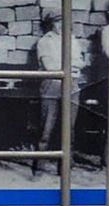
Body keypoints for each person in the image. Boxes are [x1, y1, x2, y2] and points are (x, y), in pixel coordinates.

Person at [33, 12, 85, 170]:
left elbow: (81, 63)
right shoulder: (45, 41)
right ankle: (39, 167)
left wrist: (64, 64)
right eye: (58, 22)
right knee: (46, 128)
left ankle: (65, 167)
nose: (62, 25)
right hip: (52, 85)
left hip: (72, 85)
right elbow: (50, 67)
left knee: (69, 128)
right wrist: (71, 65)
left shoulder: (72, 40)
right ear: (51, 24)